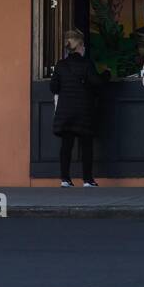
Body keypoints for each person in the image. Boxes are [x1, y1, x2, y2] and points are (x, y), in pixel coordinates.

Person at [50, 28, 110, 187]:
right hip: (83, 109)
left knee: (66, 146)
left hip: (65, 111)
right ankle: (88, 180)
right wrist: (106, 74)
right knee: (86, 146)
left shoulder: (61, 65)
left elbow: (53, 87)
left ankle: (65, 179)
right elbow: (96, 82)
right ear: (80, 46)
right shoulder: (86, 64)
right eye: (83, 46)